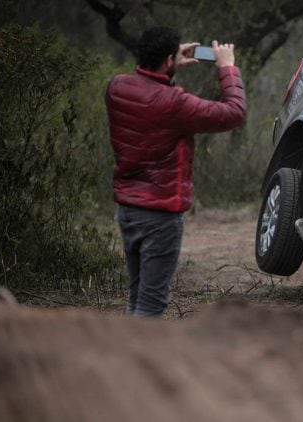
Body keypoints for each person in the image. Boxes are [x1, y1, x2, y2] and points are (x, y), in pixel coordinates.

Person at [105, 27, 247, 317]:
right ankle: (139, 362)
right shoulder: (175, 104)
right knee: (151, 305)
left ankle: (125, 356)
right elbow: (234, 112)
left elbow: (150, 93)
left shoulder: (117, 87)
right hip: (160, 214)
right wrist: (228, 68)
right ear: (169, 60)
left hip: (128, 210)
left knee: (137, 295)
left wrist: (168, 66)